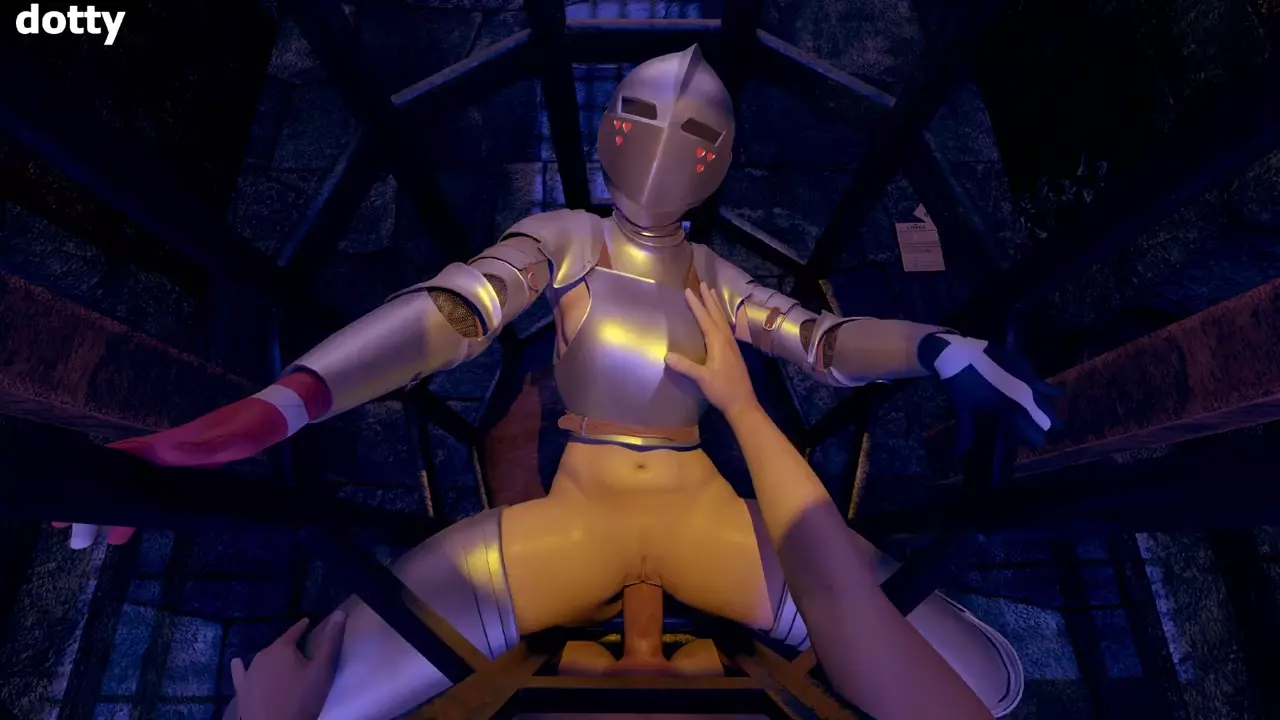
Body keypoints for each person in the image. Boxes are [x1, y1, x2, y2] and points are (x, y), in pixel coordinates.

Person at [61, 45, 1054, 719]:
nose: (666, 143)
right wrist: (282, 405)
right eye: (642, 115)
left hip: (710, 521)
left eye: (696, 133)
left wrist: (931, 347)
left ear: (721, 160)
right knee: (317, 701)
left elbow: (819, 340)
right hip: (570, 524)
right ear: (610, 130)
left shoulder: (715, 276)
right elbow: (454, 311)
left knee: (987, 684)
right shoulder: (567, 239)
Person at [226, 285, 997, 720]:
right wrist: (743, 406)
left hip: (580, 548)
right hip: (698, 542)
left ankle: (555, 468)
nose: (644, 630)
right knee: (986, 683)